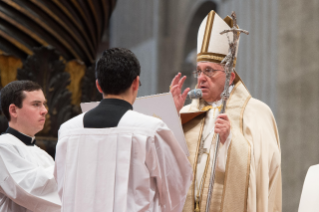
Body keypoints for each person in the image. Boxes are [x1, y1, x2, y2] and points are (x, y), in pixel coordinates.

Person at [54, 48, 193, 212]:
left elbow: (61, 187)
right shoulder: (150, 130)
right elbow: (176, 184)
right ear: (135, 83)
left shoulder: (68, 131)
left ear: (98, 85)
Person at [170, 11, 281, 212]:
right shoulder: (186, 113)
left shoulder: (256, 113)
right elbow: (165, 165)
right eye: (199, 71)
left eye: (209, 71)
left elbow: (265, 172)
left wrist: (230, 140)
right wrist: (173, 116)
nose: (201, 78)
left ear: (230, 77)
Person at [0, 80, 61, 212]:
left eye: (44, 104)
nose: (44, 111)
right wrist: (71, 165)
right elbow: (26, 189)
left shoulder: (44, 155)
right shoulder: (3, 146)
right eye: (36, 104)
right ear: (13, 110)